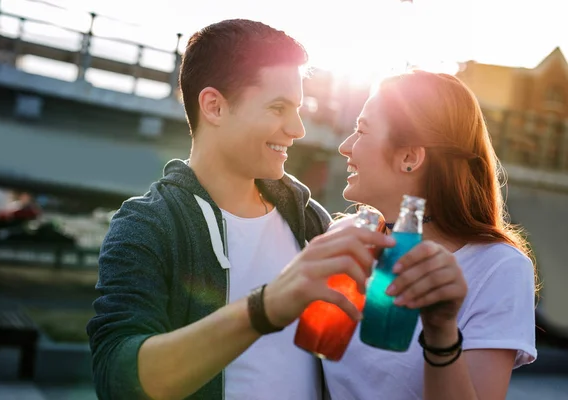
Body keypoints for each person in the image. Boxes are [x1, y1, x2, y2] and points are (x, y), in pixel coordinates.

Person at [86, 19, 394, 400]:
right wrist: (265, 307)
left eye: (298, 108)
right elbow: (117, 379)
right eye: (278, 107)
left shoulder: (309, 220)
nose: (298, 129)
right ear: (214, 106)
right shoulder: (149, 225)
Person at [323, 70, 538, 399]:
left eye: (361, 131)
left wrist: (441, 330)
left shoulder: (498, 268)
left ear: (409, 156)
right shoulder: (345, 236)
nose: (344, 146)